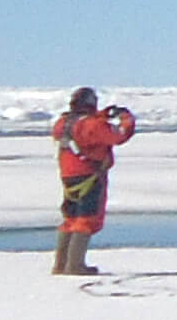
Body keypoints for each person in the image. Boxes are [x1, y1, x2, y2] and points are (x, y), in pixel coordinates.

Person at [50, 87, 137, 277]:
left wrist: (104, 115)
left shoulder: (62, 123)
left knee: (70, 218)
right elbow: (118, 135)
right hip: (89, 176)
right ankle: (75, 265)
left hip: (69, 177)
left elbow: (86, 126)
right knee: (86, 220)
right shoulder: (92, 126)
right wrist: (126, 118)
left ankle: (61, 264)